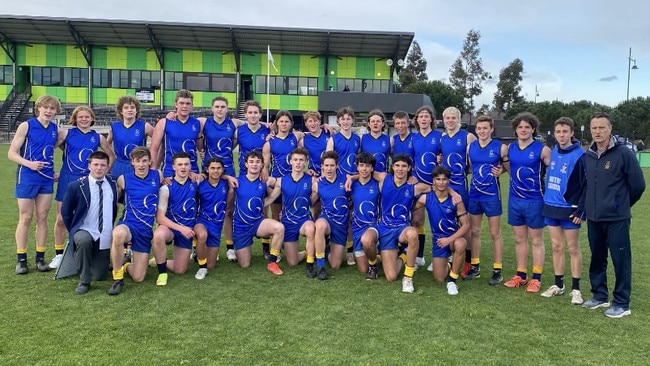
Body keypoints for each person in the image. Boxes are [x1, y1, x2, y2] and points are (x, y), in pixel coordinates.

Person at [582, 112, 645, 318]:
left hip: (617, 218)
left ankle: (622, 303)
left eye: (601, 127)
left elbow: (638, 185)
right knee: (597, 258)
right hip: (594, 217)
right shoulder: (588, 155)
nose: (597, 131)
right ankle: (600, 295)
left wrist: (620, 205)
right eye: (594, 128)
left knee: (620, 259)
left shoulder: (623, 153)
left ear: (610, 129)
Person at [51, 106, 115, 270]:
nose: (84, 119)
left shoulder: (98, 137)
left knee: (87, 217)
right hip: (67, 178)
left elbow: (111, 156)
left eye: (87, 117)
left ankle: (88, 249)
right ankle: (59, 254)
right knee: (60, 218)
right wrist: (51, 171)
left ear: (92, 118)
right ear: (75, 118)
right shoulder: (66, 134)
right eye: (81, 117)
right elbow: (48, 148)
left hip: (88, 181)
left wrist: (104, 173)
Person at [9, 95, 61, 274]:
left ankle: (40, 258)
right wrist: (29, 164)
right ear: (38, 108)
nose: (48, 111)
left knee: (42, 217)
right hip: (27, 177)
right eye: (45, 107)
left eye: (52, 109)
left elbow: (49, 152)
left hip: (46, 178)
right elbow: (12, 153)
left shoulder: (55, 128)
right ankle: (21, 259)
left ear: (56, 111)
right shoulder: (27, 125)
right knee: (26, 217)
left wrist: (54, 173)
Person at [540, 117, 587, 304]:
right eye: (558, 132)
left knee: (573, 248)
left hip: (570, 209)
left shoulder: (580, 155)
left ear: (572, 133)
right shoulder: (553, 151)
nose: (561, 135)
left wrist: (580, 211)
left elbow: (586, 185)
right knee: (556, 246)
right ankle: (558, 285)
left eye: (565, 131)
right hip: (551, 206)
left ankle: (576, 289)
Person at [503, 112, 551, 293]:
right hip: (515, 200)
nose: (523, 130)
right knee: (519, 239)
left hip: (535, 201)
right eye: (520, 127)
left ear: (533, 129)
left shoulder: (542, 149)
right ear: (515, 129)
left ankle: (536, 278)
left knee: (536, 240)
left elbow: (554, 172)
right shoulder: (510, 148)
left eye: (527, 127)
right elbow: (508, 168)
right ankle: (521, 275)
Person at [107, 147, 162, 295]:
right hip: (129, 224)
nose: (141, 165)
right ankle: (117, 277)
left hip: (145, 230)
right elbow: (113, 199)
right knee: (118, 234)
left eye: (145, 161)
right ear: (132, 162)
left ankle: (125, 264)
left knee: (138, 277)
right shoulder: (123, 179)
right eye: (138, 161)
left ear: (150, 161)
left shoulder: (158, 175)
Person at [60, 151, 117, 294]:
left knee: (100, 276)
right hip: (85, 230)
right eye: (96, 164)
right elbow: (66, 212)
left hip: (104, 233)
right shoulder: (76, 186)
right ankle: (84, 282)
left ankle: (88, 260)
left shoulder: (113, 183)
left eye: (102, 165)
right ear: (89, 165)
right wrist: (74, 231)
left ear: (107, 167)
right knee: (83, 240)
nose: (99, 168)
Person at [466, 115, 509, 285]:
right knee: (475, 232)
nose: (482, 131)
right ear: (476, 130)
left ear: (491, 129)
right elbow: (470, 168)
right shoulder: (471, 147)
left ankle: (497, 270)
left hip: (492, 195)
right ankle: (475, 267)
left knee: (494, 233)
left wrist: (501, 172)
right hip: (475, 194)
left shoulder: (500, 147)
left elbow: (509, 168)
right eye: (479, 128)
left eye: (485, 128)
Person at [415, 166, 470, 295]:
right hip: (438, 240)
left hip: (452, 238)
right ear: (433, 181)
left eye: (444, 179)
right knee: (439, 278)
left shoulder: (456, 200)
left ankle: (452, 281)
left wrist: (449, 240)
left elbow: (466, 225)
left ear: (448, 181)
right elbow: (411, 209)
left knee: (460, 244)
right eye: (438, 179)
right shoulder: (425, 198)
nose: (441, 182)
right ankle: (451, 262)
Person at [232, 151, 285, 275]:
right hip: (241, 227)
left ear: (262, 165)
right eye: (251, 162)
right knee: (245, 265)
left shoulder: (266, 181)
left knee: (279, 228)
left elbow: (283, 183)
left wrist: (268, 200)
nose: (254, 165)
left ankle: (272, 262)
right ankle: (240, 247)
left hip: (258, 223)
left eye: (257, 162)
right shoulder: (237, 181)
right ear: (246, 164)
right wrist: (226, 177)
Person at [151, 152, 199, 283]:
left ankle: (160, 259)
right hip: (171, 228)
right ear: (173, 167)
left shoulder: (197, 183)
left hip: (187, 231)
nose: (183, 167)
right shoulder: (166, 187)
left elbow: (214, 175)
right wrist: (181, 228)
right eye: (180, 164)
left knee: (180, 270)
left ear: (191, 166)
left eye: (186, 164)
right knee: (159, 235)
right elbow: (160, 218)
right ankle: (162, 273)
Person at [440, 106, 476, 278]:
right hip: (443, 187)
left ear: (459, 119)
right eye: (447, 118)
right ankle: (447, 255)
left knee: (464, 224)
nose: (450, 121)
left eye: (453, 118)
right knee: (445, 220)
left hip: (460, 187)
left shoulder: (467, 136)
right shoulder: (442, 138)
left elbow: (475, 159)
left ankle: (468, 262)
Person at [265, 147, 314, 273]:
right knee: (293, 262)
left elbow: (316, 198)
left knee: (310, 229)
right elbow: (270, 199)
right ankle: (307, 252)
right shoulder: (281, 181)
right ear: (290, 161)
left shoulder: (312, 180)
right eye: (295, 160)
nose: (298, 162)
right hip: (288, 222)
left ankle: (311, 264)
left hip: (304, 220)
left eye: (301, 160)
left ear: (306, 162)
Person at [410, 106, 442, 270]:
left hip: (437, 187)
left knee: (438, 222)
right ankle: (420, 257)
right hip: (418, 186)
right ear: (417, 120)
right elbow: (409, 160)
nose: (423, 119)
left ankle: (442, 256)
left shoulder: (439, 136)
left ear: (432, 120)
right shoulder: (413, 138)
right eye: (420, 116)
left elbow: (446, 156)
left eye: (426, 116)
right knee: (417, 221)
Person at [193, 157, 232, 280]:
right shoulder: (200, 185)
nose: (215, 171)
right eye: (213, 168)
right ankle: (201, 267)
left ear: (223, 170)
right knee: (202, 235)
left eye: (218, 168)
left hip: (216, 226)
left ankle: (199, 255)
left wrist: (228, 178)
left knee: (211, 265)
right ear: (207, 170)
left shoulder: (227, 184)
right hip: (202, 221)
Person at [313, 151, 350, 279]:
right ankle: (320, 265)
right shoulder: (318, 183)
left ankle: (326, 248)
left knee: (335, 265)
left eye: (332, 165)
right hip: (326, 219)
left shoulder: (346, 180)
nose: (329, 169)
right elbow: (309, 202)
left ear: (337, 166)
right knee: (320, 226)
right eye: (326, 165)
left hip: (341, 224)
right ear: (322, 166)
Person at [150, 89, 202, 178]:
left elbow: (201, 149)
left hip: (192, 171)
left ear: (192, 106)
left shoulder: (197, 123)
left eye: (188, 103)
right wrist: (154, 169)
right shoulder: (164, 122)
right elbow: (154, 149)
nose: (184, 106)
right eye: (181, 103)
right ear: (176, 104)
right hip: (170, 171)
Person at [107, 95, 154, 179]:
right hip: (119, 165)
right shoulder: (114, 127)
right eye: (126, 107)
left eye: (132, 107)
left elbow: (159, 141)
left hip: (138, 165)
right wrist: (112, 158)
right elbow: (107, 144)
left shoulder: (144, 126)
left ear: (136, 110)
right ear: (121, 111)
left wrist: (150, 156)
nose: (129, 110)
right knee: (117, 191)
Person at [349, 152, 379, 278]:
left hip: (374, 226)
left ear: (372, 168)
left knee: (366, 240)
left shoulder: (378, 184)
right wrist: (350, 178)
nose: (364, 169)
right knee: (362, 269)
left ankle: (375, 265)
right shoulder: (351, 184)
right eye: (361, 165)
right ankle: (379, 256)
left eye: (367, 166)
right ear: (357, 167)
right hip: (357, 228)